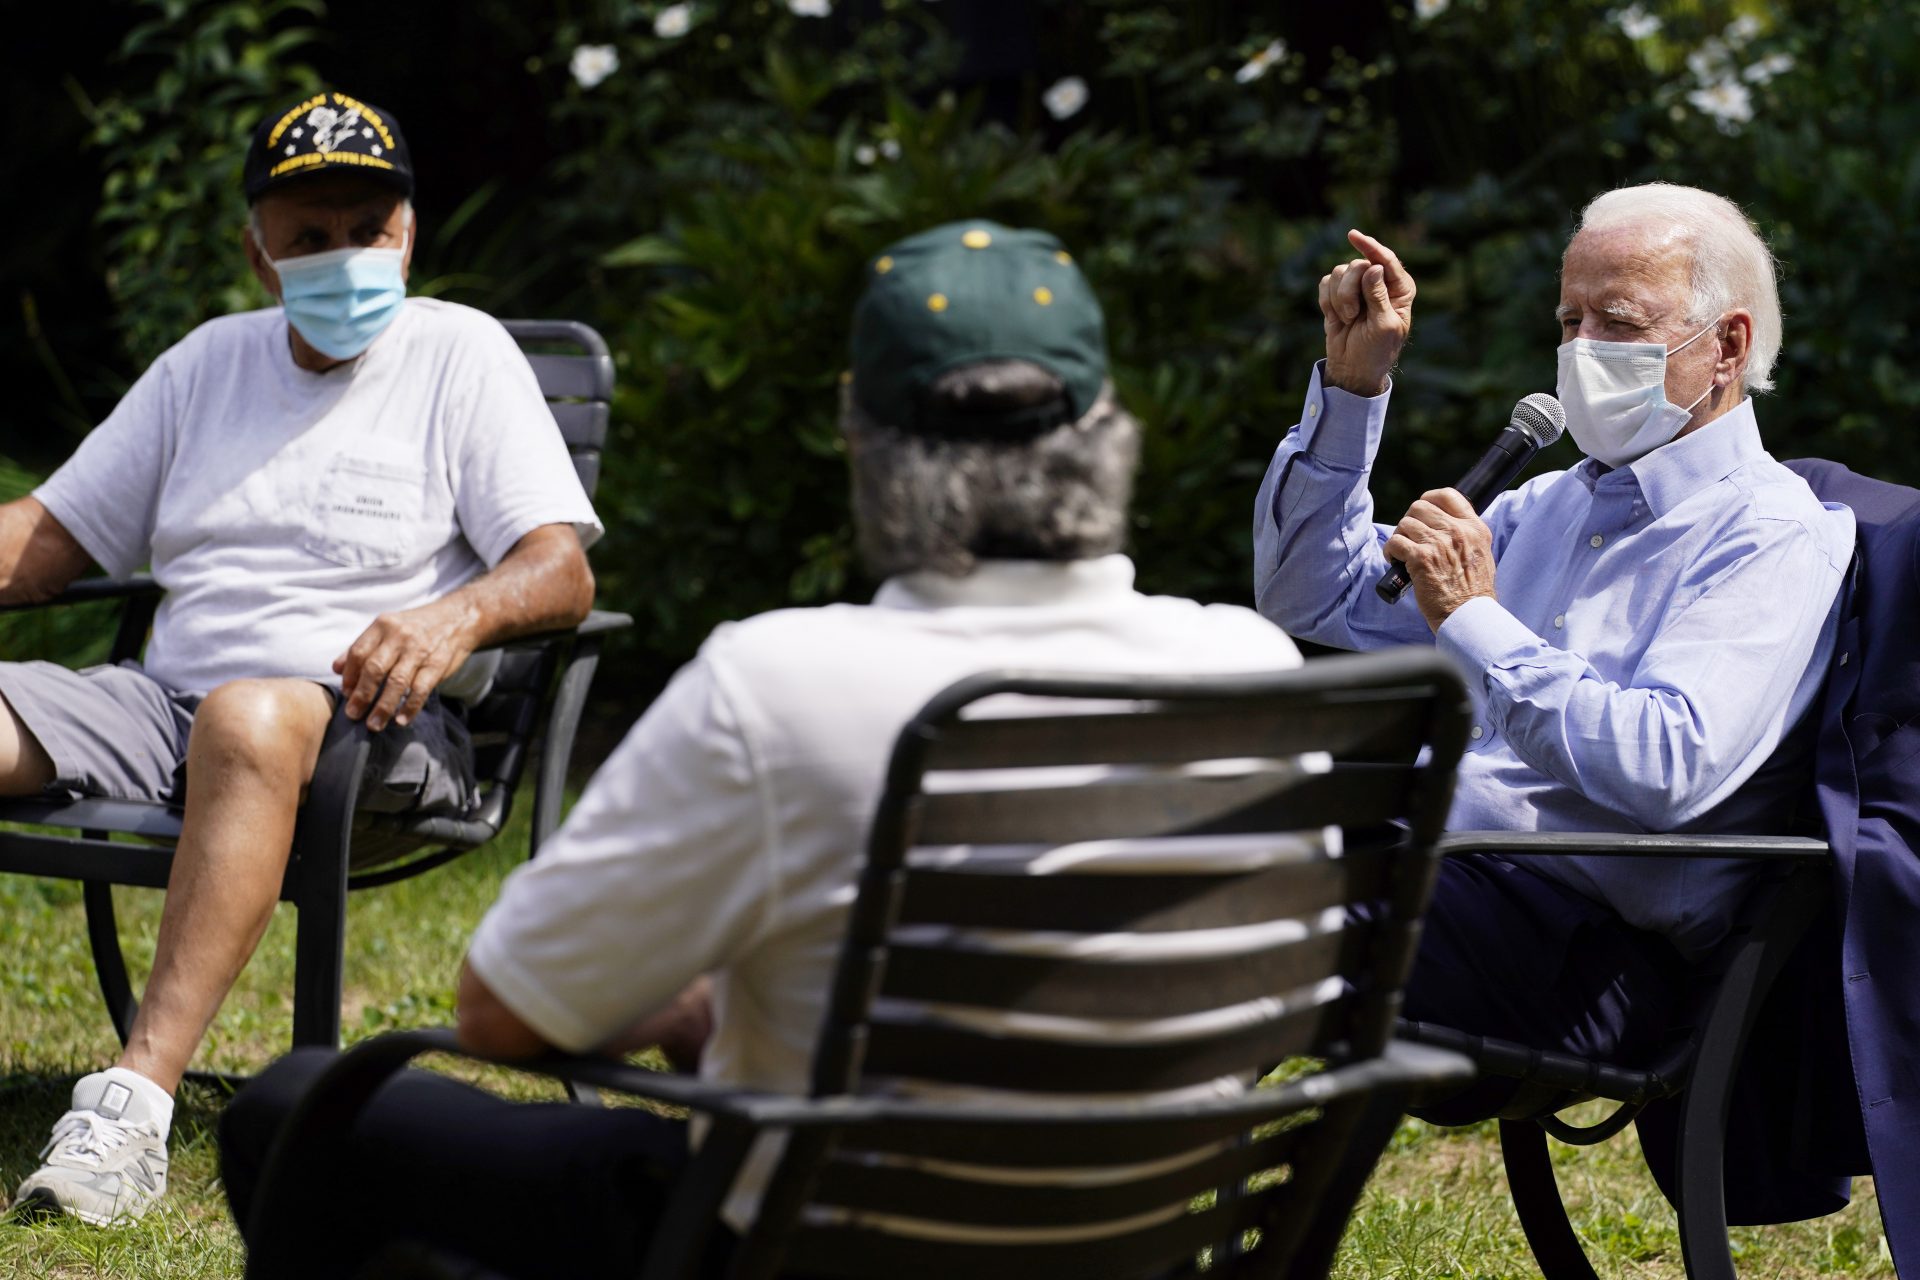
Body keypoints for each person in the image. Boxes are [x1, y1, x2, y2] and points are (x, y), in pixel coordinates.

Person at [217, 220, 1305, 1278]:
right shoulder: (1252, 668)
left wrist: (705, 1006)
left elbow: (503, 1009)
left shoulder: (779, 681)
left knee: (291, 1108)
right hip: (1144, 1237)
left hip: (809, 1241)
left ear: (863, 443)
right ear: (1108, 432)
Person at [3, 90, 601, 1224]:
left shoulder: (459, 354)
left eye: (366, 230)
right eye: (308, 236)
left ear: (409, 232)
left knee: (251, 712)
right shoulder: (205, 365)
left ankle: (130, 1107)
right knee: (216, 708)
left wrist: (454, 617)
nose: (342, 257)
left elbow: (559, 569)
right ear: (259, 250)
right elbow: (45, 538)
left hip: (367, 723)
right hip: (159, 707)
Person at [1251, 182, 1855, 1111]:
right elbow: (1313, 594)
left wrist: (1476, 618)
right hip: (1440, 881)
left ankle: (1102, 1212)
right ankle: (1083, 1200)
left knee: (1236, 921)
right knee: (1183, 867)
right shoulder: (1551, 501)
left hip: (1586, 950)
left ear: (1726, 347)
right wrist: (1352, 388)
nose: (1579, 352)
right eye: (1568, 321)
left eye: (1616, 322)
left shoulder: (1771, 533)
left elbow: (1665, 767)